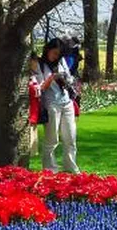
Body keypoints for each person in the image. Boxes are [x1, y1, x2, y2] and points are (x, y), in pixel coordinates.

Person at [29, 37, 80, 174]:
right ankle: (50, 169)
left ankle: (71, 168)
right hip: (51, 104)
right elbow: (39, 89)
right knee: (52, 140)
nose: (56, 56)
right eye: (54, 53)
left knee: (70, 138)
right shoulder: (40, 65)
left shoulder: (61, 62)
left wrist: (65, 78)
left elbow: (70, 78)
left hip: (66, 101)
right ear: (48, 50)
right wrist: (52, 78)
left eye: (58, 54)